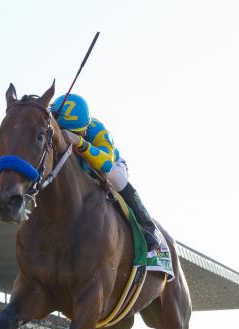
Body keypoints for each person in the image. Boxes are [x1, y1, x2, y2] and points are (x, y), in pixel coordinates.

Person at [51, 94, 160, 252]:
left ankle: (147, 225)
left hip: (110, 166)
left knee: (113, 174)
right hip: (79, 172)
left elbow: (106, 162)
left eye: (75, 133)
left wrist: (79, 142)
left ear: (84, 129)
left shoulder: (97, 129)